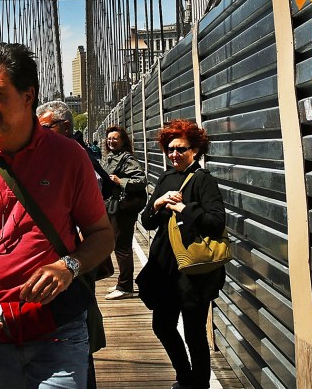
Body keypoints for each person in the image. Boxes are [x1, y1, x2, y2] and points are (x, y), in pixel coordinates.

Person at [0, 43, 114, 388]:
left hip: (56, 329)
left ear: (28, 95)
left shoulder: (69, 157)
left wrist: (68, 266)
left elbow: (102, 234)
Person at [137, 119, 226, 389]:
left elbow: (216, 222)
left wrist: (184, 209)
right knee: (162, 326)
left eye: (181, 149)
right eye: (170, 149)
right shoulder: (165, 178)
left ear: (195, 150)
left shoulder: (203, 180)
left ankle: (199, 384)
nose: (174, 154)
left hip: (192, 271)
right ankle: (184, 375)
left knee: (194, 333)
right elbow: (148, 222)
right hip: (163, 268)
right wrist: (157, 204)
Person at [37, 100, 107, 389]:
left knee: (78, 331)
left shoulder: (74, 158)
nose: (38, 133)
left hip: (74, 260)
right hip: (65, 263)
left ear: (65, 126)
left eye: (45, 127)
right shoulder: (55, 156)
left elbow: (90, 219)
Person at [99, 125, 146, 300]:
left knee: (123, 246)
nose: (111, 141)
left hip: (124, 209)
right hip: (115, 207)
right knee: (117, 244)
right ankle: (123, 282)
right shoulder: (112, 157)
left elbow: (141, 180)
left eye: (115, 139)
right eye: (109, 138)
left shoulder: (126, 158)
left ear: (123, 141)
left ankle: (125, 286)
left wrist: (120, 181)